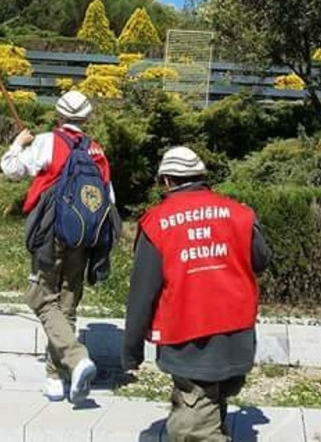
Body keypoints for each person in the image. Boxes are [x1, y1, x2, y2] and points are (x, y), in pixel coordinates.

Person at [123, 147, 272, 442]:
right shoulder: (239, 213)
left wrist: (131, 351)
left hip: (188, 338)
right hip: (238, 336)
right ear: (202, 177)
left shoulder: (157, 223)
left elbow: (142, 293)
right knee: (212, 405)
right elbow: (262, 260)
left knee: (191, 430)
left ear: (166, 181)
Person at [0, 89, 113, 405]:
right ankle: (57, 376)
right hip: (85, 236)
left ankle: (75, 360)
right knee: (67, 303)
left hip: (51, 233)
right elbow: (108, 197)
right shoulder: (96, 149)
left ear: (59, 114)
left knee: (40, 296)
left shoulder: (49, 141)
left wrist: (18, 143)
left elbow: (11, 169)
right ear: (87, 117)